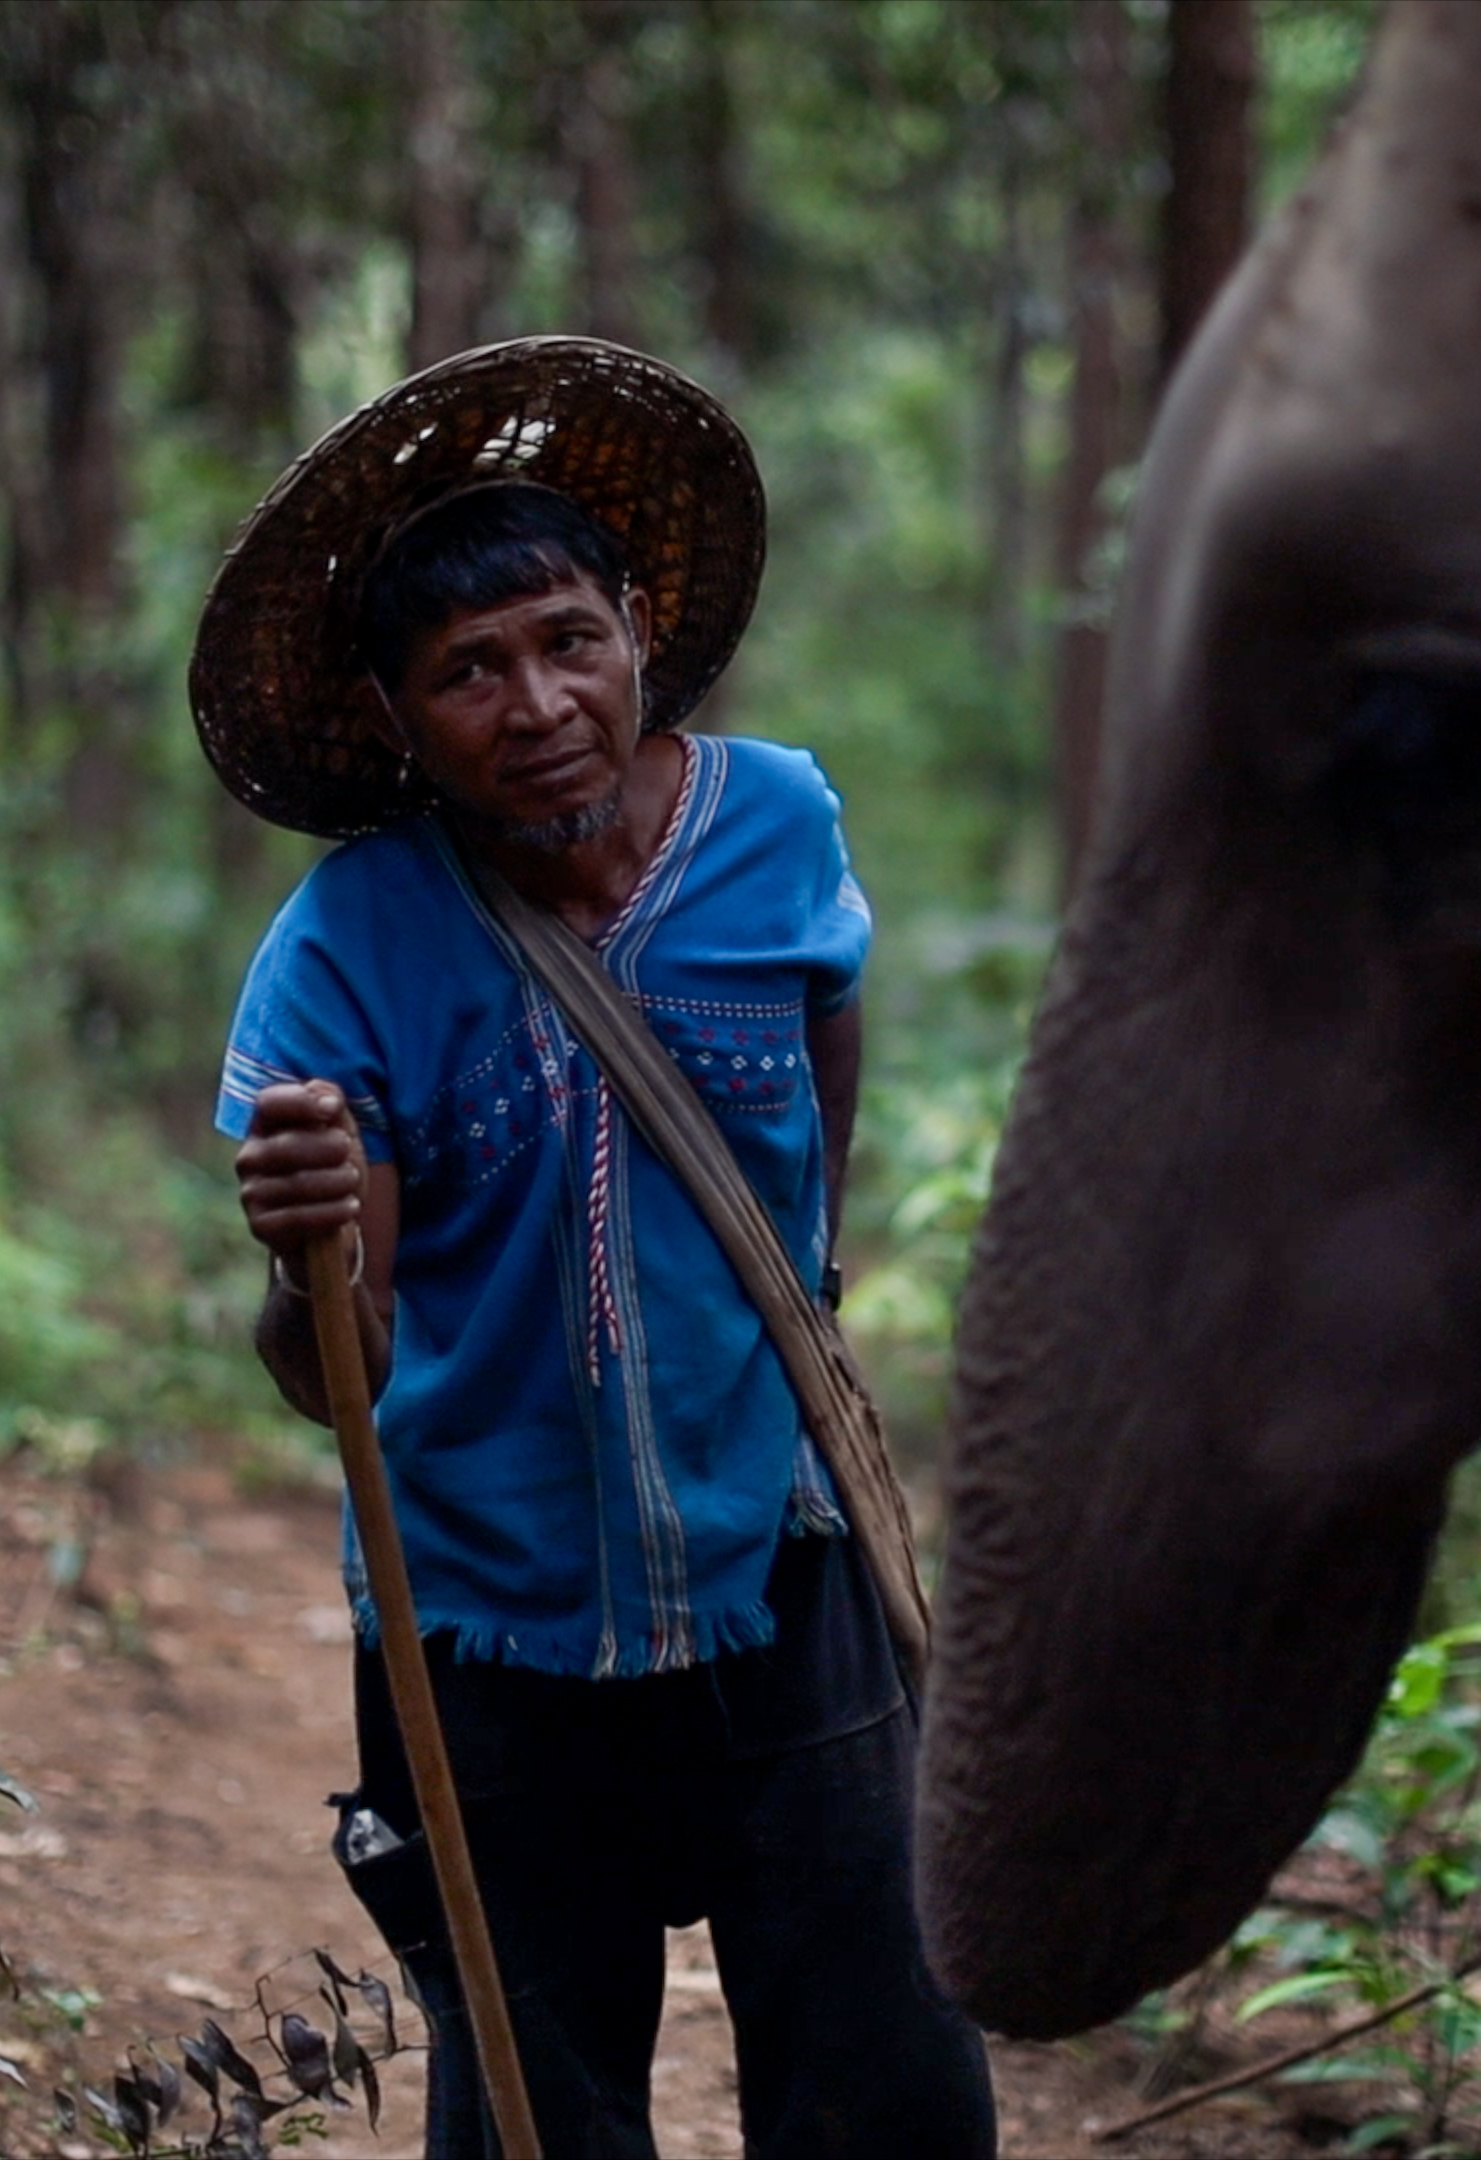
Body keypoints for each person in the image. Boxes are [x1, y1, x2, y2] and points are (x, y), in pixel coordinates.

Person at [192, 340, 995, 2159]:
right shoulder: (349, 949)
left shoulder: (777, 823)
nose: (538, 700)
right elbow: (338, 1376)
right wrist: (297, 1252)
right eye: (468, 672)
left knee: (890, 2083)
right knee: (535, 2118)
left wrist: (807, 1276)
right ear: (398, 723)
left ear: (637, 628)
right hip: (488, 1626)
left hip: (778, 1566)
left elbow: (830, 1024)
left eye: (566, 638)